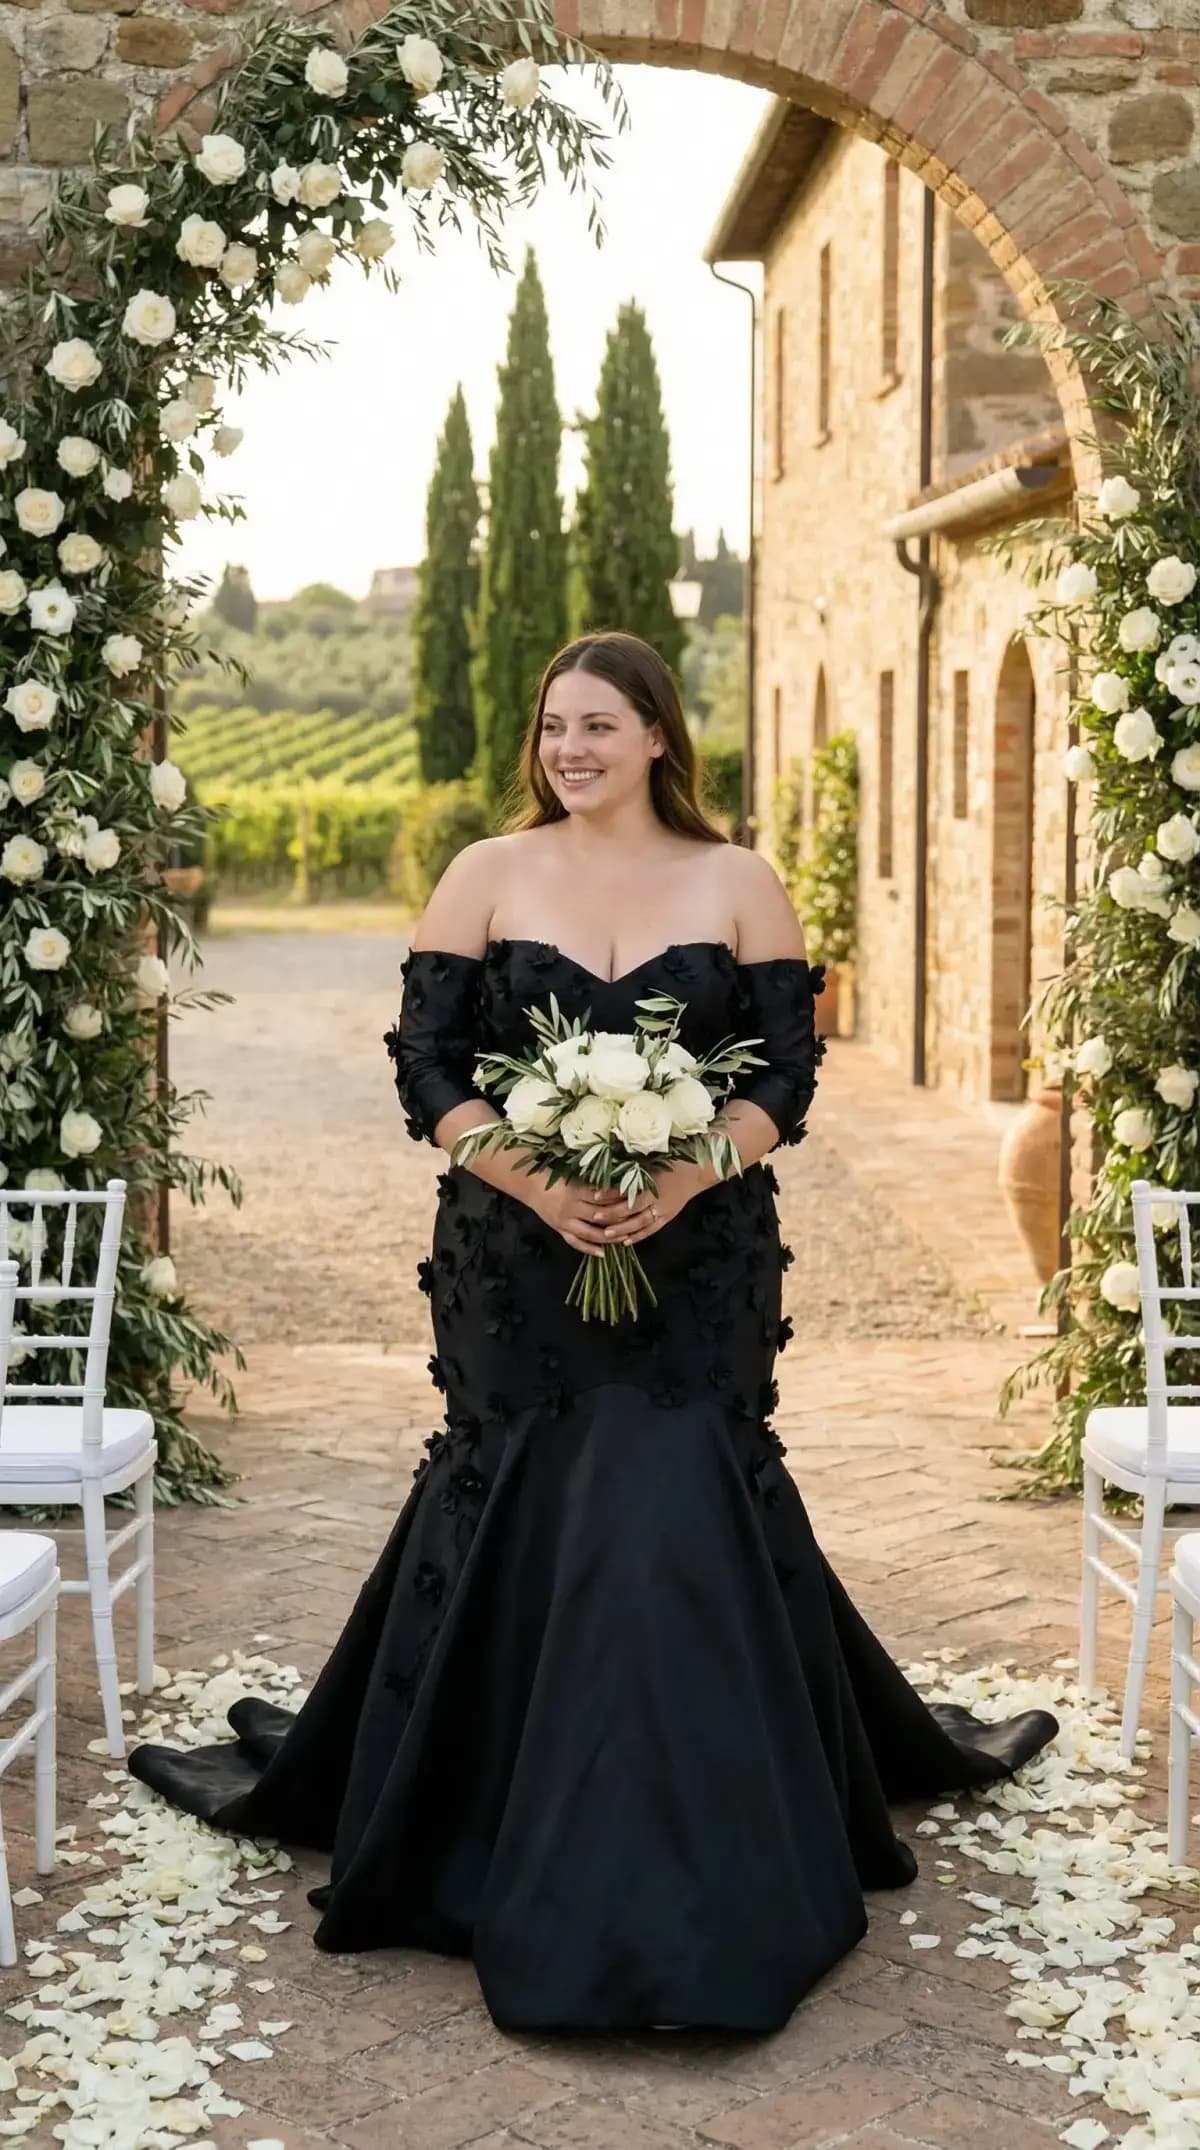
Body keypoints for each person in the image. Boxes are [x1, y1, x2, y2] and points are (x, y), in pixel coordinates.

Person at [129, 629, 1056, 2034]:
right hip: (515, 1260)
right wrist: (537, 1182)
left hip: (701, 1262)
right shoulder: (484, 874)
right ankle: (484, 1811)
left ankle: (707, 1856)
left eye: (600, 725)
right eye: (555, 726)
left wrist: (685, 1173)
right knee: (526, 1473)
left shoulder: (739, 881)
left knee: (680, 1481)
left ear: (659, 735)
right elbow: (427, 1067)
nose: (571, 749)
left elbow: (787, 1078)